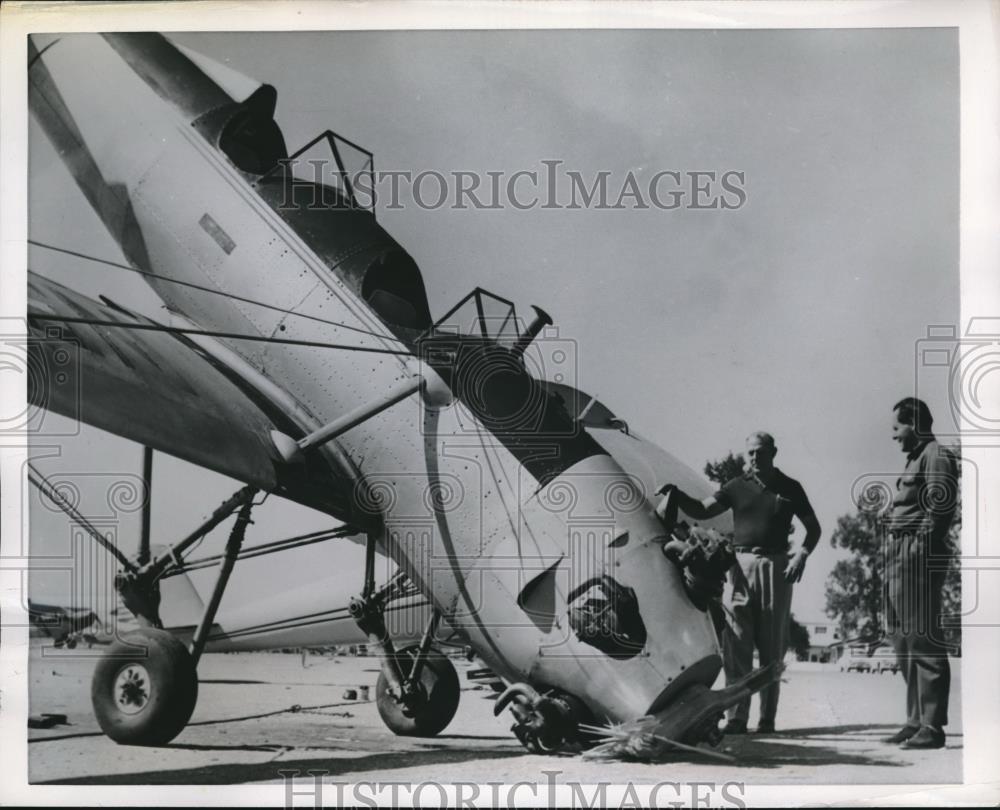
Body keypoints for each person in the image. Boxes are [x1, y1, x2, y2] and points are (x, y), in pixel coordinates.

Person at [656, 431, 821, 734]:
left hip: (776, 565)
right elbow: (703, 508)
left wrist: (802, 555)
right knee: (736, 643)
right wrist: (676, 495)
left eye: (760, 452)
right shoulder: (736, 486)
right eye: (750, 453)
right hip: (739, 566)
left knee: (773, 645)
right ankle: (736, 718)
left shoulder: (790, 488)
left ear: (773, 452)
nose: (754, 458)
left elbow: (813, 528)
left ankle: (767, 718)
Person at [882, 397, 958, 750]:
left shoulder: (936, 455)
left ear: (914, 423)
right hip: (898, 554)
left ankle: (932, 725)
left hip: (917, 555)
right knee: (903, 640)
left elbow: (941, 508)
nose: (893, 435)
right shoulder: (916, 458)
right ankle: (915, 720)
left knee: (923, 638)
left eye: (897, 427)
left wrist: (917, 550)